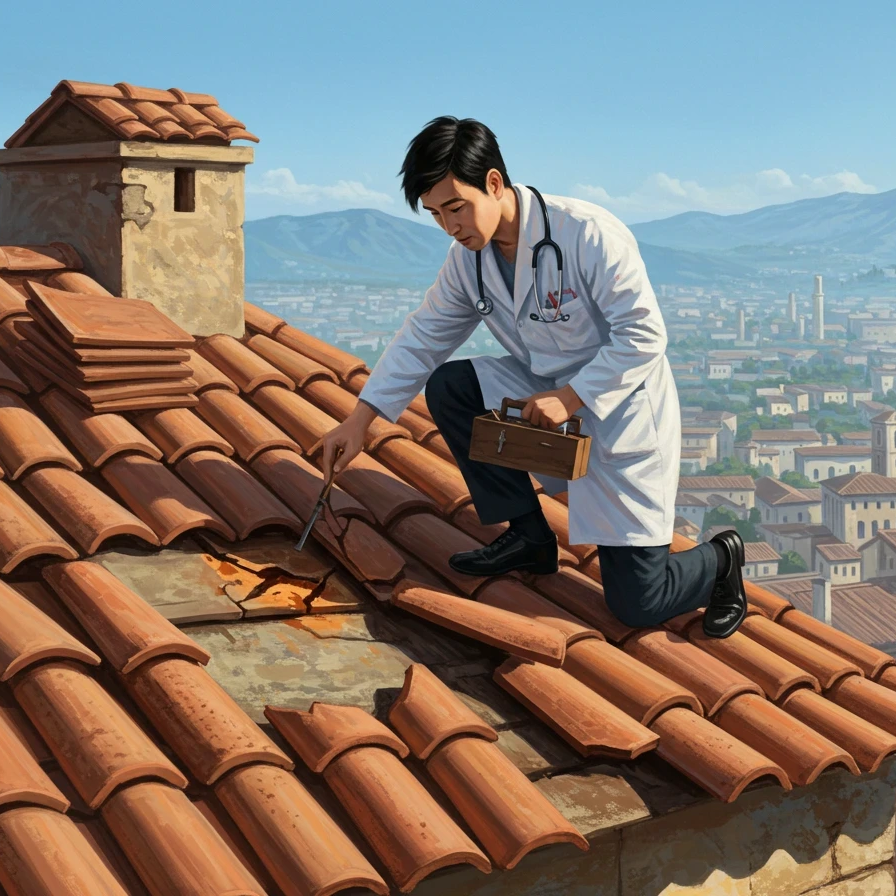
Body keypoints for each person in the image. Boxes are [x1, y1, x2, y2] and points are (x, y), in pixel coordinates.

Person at [319, 116, 747, 637]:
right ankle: (528, 537)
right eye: (436, 214)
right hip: (543, 393)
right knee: (452, 387)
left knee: (638, 603)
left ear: (494, 183)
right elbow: (422, 336)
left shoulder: (587, 232)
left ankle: (721, 559)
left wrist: (572, 397)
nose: (450, 226)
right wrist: (359, 421)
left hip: (622, 409)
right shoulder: (468, 260)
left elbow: (644, 335)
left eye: (456, 207)